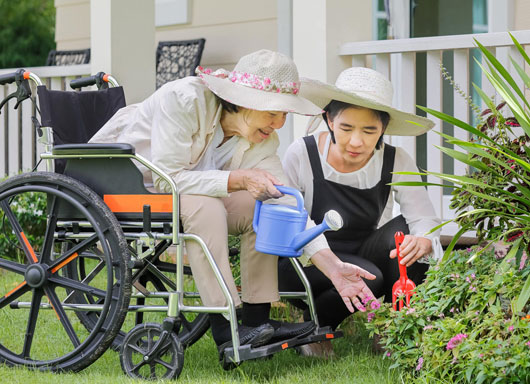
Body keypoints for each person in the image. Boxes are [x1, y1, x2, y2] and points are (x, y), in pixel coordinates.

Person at [89, 50, 377, 364]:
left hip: (185, 194)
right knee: (208, 206)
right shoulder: (184, 100)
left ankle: (256, 321)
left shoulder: (262, 140)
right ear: (242, 100)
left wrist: (333, 266)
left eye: (285, 115)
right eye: (273, 112)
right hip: (130, 186)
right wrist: (237, 178)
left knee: (267, 206)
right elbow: (167, 178)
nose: (279, 123)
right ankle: (227, 330)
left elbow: (287, 200)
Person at [279, 67, 443, 355]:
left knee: (407, 235)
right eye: (346, 128)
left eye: (369, 131)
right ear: (329, 119)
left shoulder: (396, 159)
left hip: (363, 251)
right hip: (304, 262)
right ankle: (316, 328)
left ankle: (396, 329)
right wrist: (327, 260)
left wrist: (424, 240)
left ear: (384, 128)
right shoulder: (302, 153)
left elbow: (423, 217)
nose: (357, 141)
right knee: (371, 276)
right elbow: (288, 220)